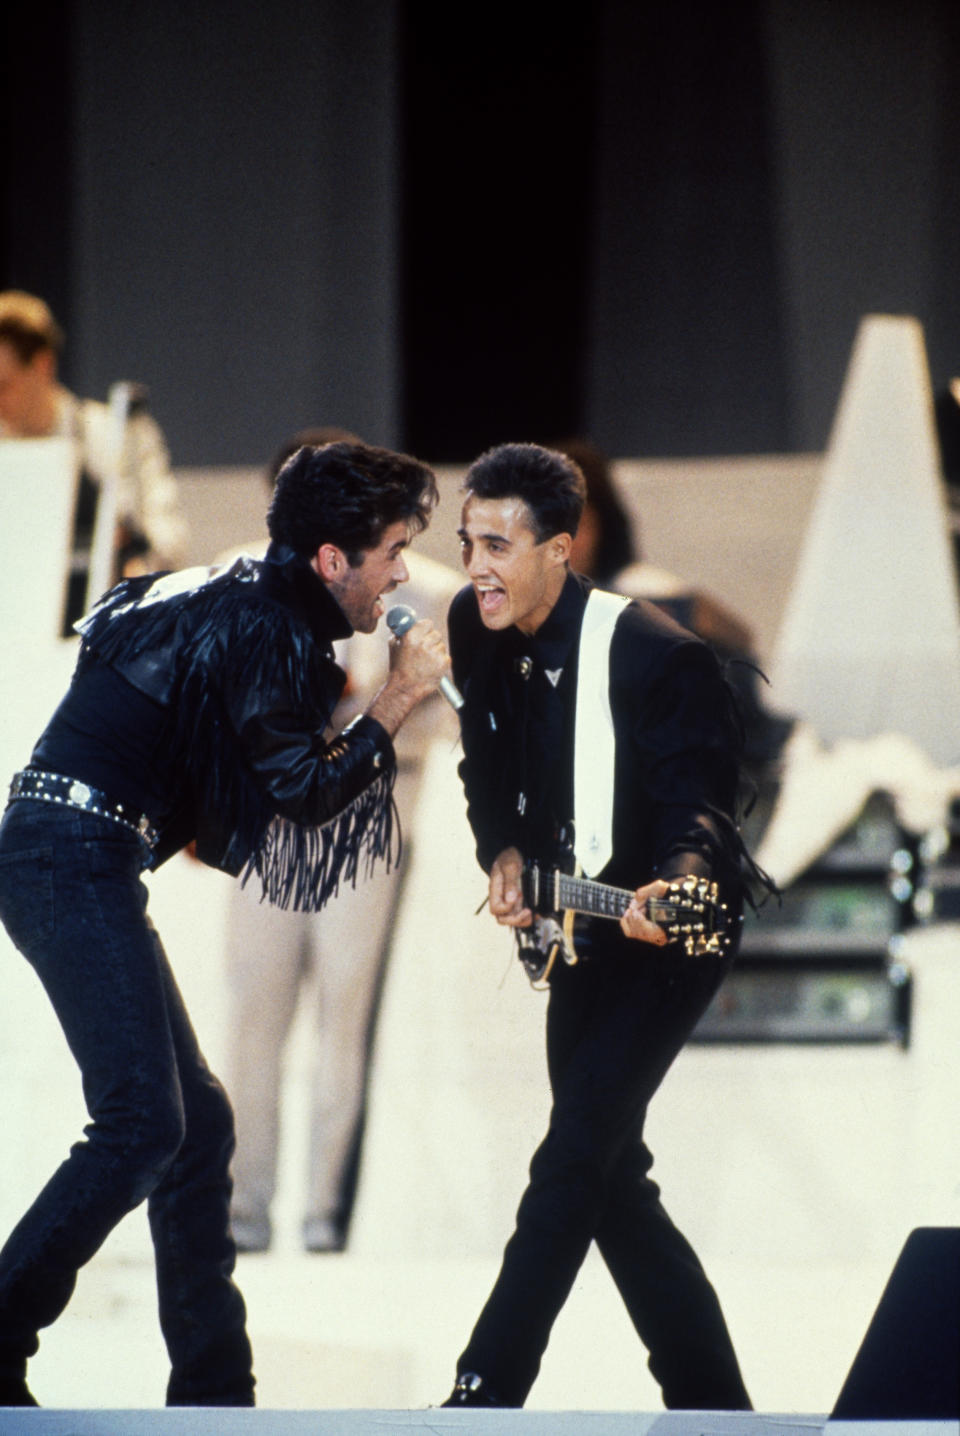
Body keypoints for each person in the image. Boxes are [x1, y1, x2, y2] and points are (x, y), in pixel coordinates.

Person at [0, 439, 450, 1408]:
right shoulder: (265, 623)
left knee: (196, 1126)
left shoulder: (236, 590)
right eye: (394, 550)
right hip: (69, 852)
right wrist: (402, 692)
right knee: (142, 1122)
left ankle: (214, 1389)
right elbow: (304, 791)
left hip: (76, 847)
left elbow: (162, 708)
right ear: (334, 559)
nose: (404, 572)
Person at [442, 442, 770, 1409]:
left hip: (675, 932)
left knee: (574, 1154)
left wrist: (682, 881)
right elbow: (482, 770)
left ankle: (484, 1388)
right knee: (610, 1177)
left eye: (498, 546)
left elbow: (700, 810)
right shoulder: (475, 624)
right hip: (583, 927)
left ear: (561, 548)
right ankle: (713, 1401)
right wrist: (500, 853)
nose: (474, 569)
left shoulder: (655, 650)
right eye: (467, 544)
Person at [219, 429, 461, 1254]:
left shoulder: (419, 585)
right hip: (271, 821)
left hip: (367, 815)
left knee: (342, 1015)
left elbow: (459, 699)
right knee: (254, 1016)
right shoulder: (240, 573)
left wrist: (383, 713)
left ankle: (324, 1214)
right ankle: (244, 1209)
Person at [0, 290, 188, 629]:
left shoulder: (121, 437)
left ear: (43, 364)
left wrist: (131, 554)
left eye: (2, 386)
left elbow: (168, 539)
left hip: (107, 635)